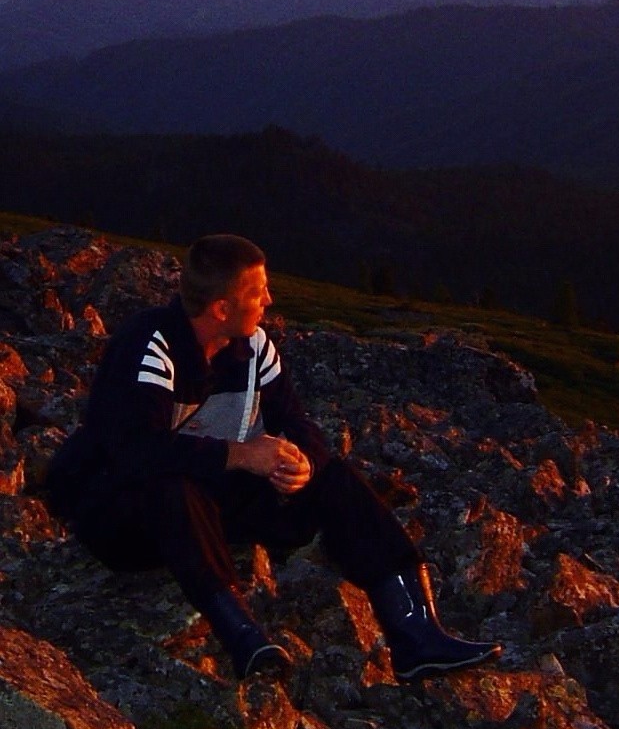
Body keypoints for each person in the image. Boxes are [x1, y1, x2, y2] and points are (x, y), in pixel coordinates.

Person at [46, 233, 501, 681]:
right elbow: (135, 453)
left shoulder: (255, 348)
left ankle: (415, 631)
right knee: (172, 486)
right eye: (257, 291)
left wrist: (303, 463)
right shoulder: (151, 346)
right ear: (222, 308)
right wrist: (241, 455)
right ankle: (242, 636)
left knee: (335, 479)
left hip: (210, 507)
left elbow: (298, 423)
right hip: (122, 518)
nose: (270, 299)